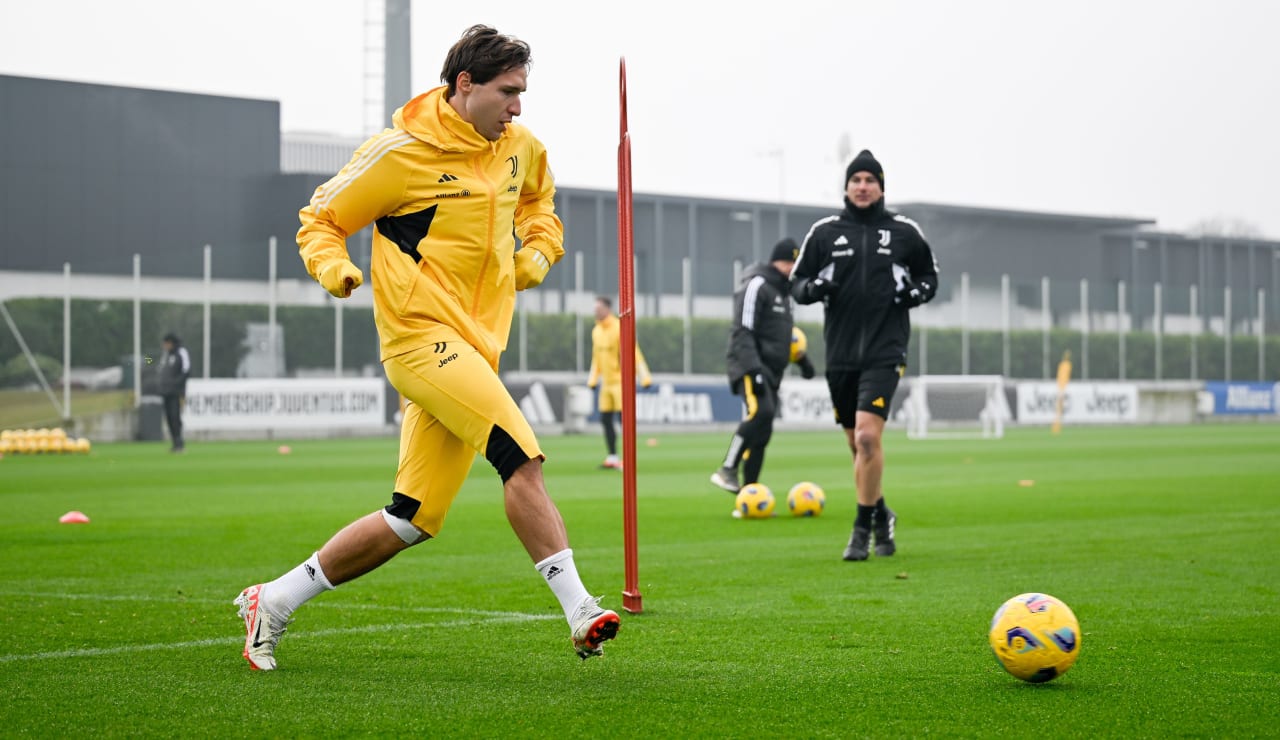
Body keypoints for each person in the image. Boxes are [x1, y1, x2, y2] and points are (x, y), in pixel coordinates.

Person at [233, 25, 619, 670]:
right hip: (419, 342)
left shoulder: (520, 146)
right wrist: (335, 269)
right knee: (521, 457)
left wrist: (540, 251)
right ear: (465, 85)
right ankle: (580, 610)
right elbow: (321, 218)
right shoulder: (399, 154)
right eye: (508, 92)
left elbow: (541, 204)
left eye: (523, 92)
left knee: (412, 518)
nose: (518, 107)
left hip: (479, 347)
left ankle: (272, 600)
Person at [790, 149, 940, 561]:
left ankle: (860, 530)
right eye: (855, 179)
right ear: (846, 186)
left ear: (881, 187)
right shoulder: (824, 232)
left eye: (869, 180)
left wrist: (913, 293)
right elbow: (797, 283)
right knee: (859, 450)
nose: (862, 186)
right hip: (839, 358)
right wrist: (815, 288)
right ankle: (881, 514)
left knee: (868, 438)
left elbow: (930, 277)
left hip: (884, 351)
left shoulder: (905, 232)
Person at [711, 238, 815, 495]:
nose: (794, 269)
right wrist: (753, 370)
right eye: (791, 263)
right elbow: (742, 330)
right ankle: (727, 468)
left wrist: (802, 362)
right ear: (779, 261)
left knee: (763, 432)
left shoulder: (784, 293)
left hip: (773, 370)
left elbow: (783, 336)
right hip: (750, 366)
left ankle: (750, 491)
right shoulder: (757, 285)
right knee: (761, 413)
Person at [586, 295, 652, 470]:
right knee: (605, 420)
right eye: (595, 309)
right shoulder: (596, 331)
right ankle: (613, 457)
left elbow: (633, 352)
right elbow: (596, 358)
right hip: (606, 384)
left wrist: (644, 377)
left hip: (622, 382)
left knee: (624, 421)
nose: (596, 312)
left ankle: (628, 458)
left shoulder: (619, 328)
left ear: (608, 309)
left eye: (599, 309)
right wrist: (592, 380)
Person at [158, 332, 190, 453]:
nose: (164, 346)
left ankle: (179, 443)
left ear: (171, 343)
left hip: (176, 392)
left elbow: (186, 371)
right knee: (169, 418)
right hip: (165, 392)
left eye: (166, 343)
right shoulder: (165, 355)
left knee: (175, 416)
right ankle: (175, 443)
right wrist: (146, 359)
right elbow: (157, 365)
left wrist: (176, 384)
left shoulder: (181, 352)